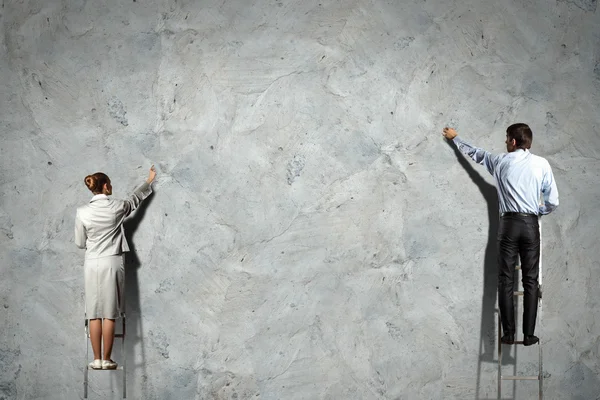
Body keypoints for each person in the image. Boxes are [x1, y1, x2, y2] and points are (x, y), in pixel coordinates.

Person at [442, 124, 558, 346]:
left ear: (513, 141)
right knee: (531, 280)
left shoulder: (500, 161)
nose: (505, 142)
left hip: (508, 225)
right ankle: (529, 335)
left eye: (506, 139)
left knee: (506, 280)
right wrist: (536, 211)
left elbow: (476, 154)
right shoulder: (542, 164)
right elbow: (553, 201)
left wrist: (456, 138)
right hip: (530, 224)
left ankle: (508, 334)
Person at [75, 166, 156, 369]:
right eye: (109, 183)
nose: (111, 186)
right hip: (111, 262)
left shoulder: (82, 212)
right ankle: (107, 359)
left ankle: (95, 359)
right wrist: (148, 182)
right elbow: (134, 201)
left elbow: (79, 242)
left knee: (94, 312)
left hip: (92, 263)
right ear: (105, 186)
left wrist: (93, 241)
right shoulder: (117, 207)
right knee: (109, 311)